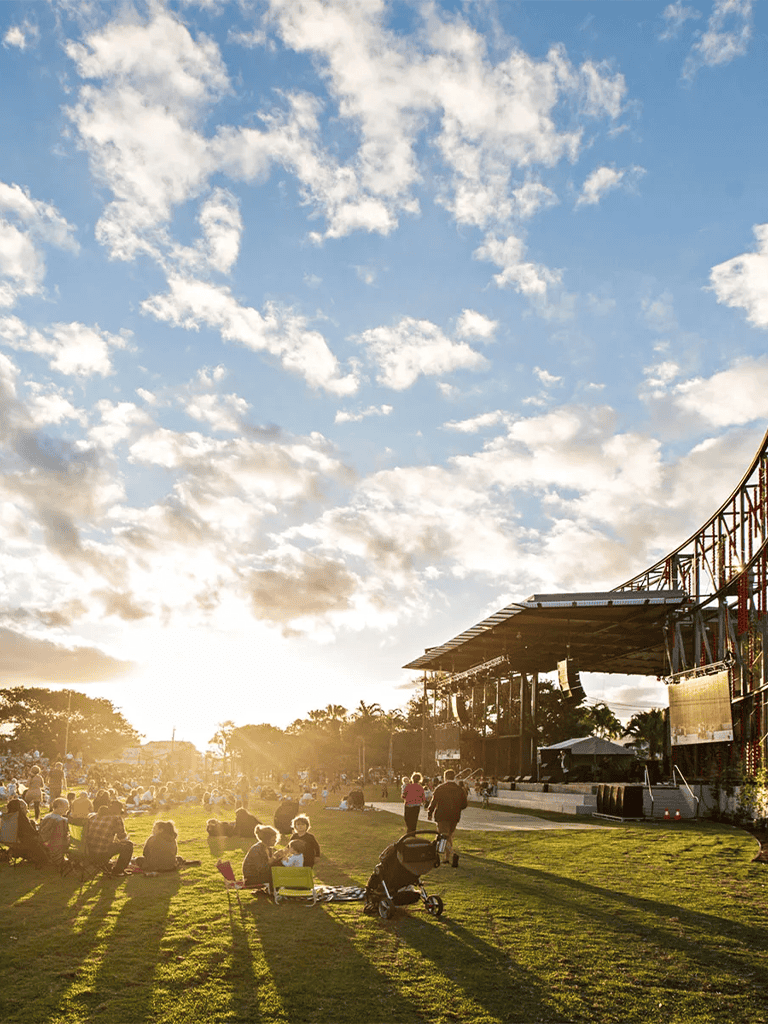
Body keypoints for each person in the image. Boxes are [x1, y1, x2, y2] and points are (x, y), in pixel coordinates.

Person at [427, 769, 468, 867]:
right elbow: (464, 804)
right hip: (454, 816)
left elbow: (433, 802)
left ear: (445, 777)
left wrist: (430, 812)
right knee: (449, 836)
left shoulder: (440, 788)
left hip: (442, 815)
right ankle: (445, 857)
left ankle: (453, 854)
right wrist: (457, 808)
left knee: (443, 836)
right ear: (454, 777)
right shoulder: (459, 789)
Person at [87, 801, 134, 876]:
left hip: (88, 852)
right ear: (118, 811)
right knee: (128, 845)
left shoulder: (93, 817)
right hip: (102, 853)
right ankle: (118, 871)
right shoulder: (116, 818)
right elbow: (122, 838)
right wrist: (127, 837)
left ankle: (107, 865)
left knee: (111, 844)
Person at [5, 798, 48, 867]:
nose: (26, 811)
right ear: (21, 809)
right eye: (25, 808)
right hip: (22, 845)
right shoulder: (21, 819)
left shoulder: (7, 817)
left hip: (11, 843)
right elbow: (32, 834)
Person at [39, 798, 71, 867]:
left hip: (45, 843)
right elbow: (65, 836)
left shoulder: (46, 817)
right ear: (59, 806)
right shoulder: (62, 820)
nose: (68, 809)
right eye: (66, 806)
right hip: (57, 845)